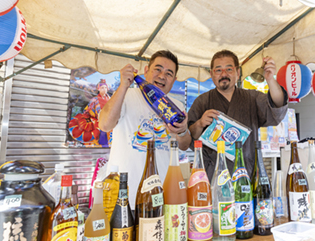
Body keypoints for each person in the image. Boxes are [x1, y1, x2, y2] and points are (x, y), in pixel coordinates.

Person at [99, 50, 191, 206]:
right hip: (125, 192)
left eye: (169, 73)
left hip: (161, 191)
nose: (162, 76)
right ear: (146, 70)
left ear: (174, 80)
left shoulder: (177, 106)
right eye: (158, 69)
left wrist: (182, 131)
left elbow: (184, 145)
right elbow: (105, 125)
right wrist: (123, 86)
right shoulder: (126, 95)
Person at [188, 50, 288, 180]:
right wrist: (200, 124)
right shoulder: (202, 101)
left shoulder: (252, 98)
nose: (223, 74)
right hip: (212, 175)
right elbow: (189, 136)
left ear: (238, 72)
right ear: (212, 74)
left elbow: (277, 105)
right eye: (218, 70)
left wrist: (270, 79)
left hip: (247, 173)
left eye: (229, 69)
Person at [84, 79, 111, 147]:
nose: (104, 89)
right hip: (98, 122)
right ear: (98, 89)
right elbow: (87, 112)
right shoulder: (94, 99)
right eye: (102, 88)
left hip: (110, 123)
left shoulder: (110, 99)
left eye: (105, 87)